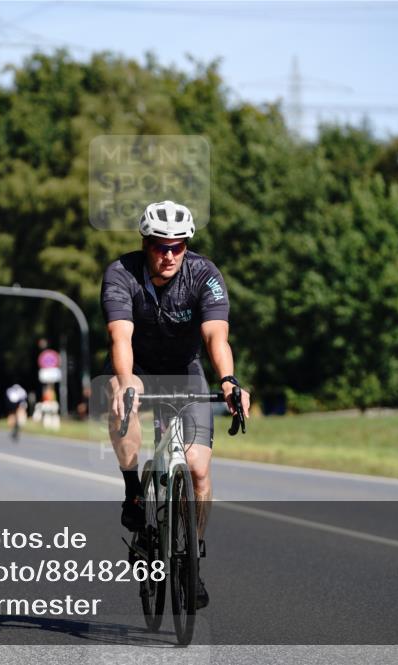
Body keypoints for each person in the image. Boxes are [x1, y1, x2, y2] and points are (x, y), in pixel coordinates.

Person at [100, 199, 251, 609]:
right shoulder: (121, 274)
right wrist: (127, 382)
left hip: (184, 372)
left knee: (199, 469)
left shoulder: (204, 274)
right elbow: (121, 337)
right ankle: (133, 491)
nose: (168, 255)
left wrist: (228, 380)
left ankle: (192, 556)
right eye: (160, 246)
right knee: (121, 397)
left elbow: (216, 336)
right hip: (138, 366)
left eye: (177, 246)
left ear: (186, 246)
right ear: (145, 243)